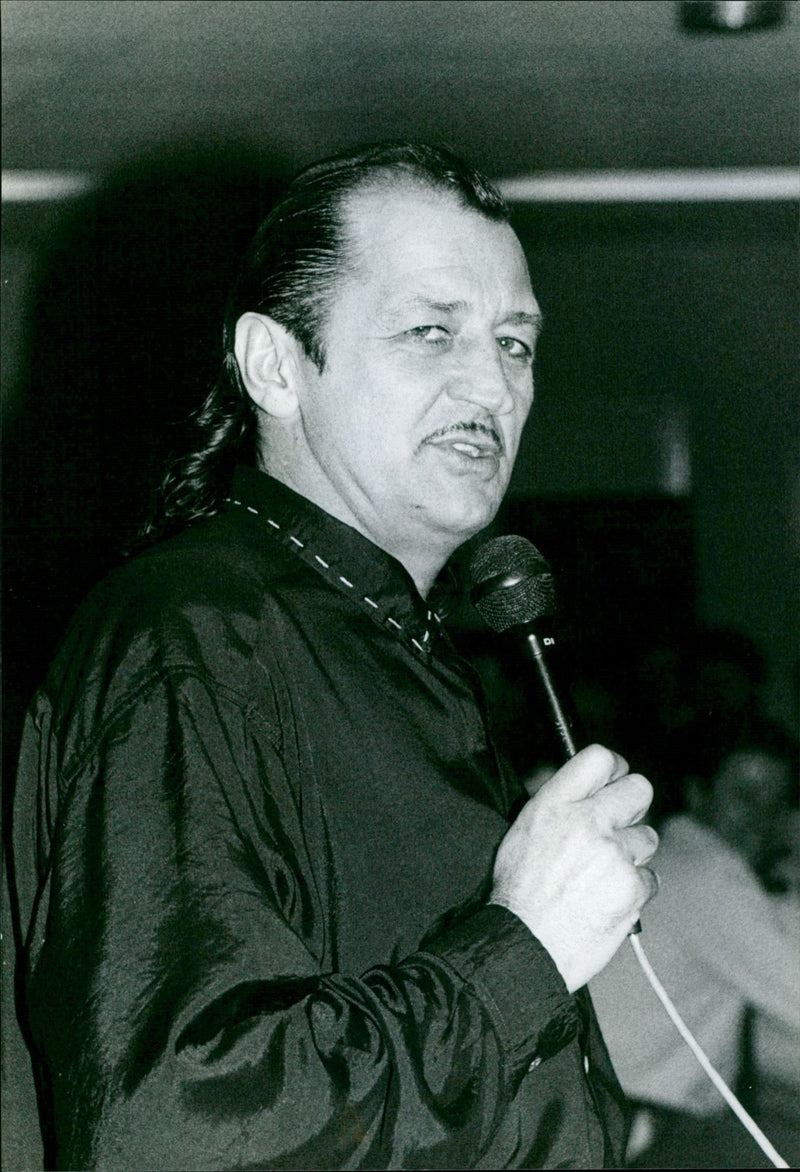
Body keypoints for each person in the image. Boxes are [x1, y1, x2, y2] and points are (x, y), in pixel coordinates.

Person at [11, 141, 658, 1170]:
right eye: (429, 331)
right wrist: (521, 950)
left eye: (514, 343)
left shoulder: (388, 640)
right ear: (275, 365)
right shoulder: (194, 635)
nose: (490, 382)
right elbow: (174, 1125)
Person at [589, 717, 800, 1168]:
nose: (764, 818)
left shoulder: (677, 858)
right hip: (635, 1127)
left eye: (778, 803)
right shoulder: (708, 874)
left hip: (614, 1114)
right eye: (745, 797)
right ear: (697, 793)